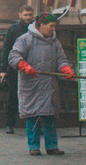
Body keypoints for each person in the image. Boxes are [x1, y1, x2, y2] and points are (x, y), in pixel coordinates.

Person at [8, 12, 73, 156]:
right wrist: (24, 65)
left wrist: (65, 68)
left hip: (49, 85)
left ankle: (52, 146)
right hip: (32, 85)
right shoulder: (25, 40)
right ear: (41, 25)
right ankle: (33, 147)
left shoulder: (54, 41)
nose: (53, 29)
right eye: (51, 26)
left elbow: (61, 59)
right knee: (33, 117)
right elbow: (13, 56)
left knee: (50, 116)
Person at [0, 5, 34, 134]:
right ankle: (10, 124)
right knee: (14, 96)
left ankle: (34, 125)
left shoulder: (35, 28)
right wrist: (3, 69)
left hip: (32, 67)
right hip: (16, 68)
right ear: (19, 15)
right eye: (25, 15)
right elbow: (6, 49)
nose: (28, 17)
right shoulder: (13, 29)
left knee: (34, 96)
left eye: (30, 14)